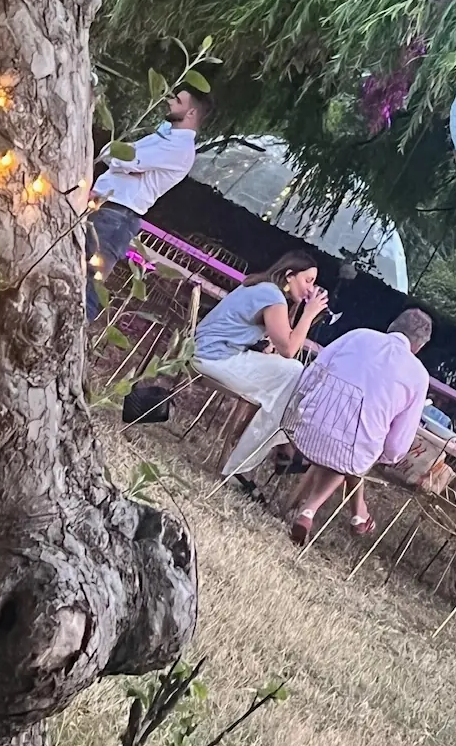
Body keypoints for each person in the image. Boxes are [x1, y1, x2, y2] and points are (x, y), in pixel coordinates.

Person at [284, 308, 434, 545]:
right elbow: (397, 444)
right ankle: (311, 510)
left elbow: (313, 372)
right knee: (357, 452)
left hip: (304, 427)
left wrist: (296, 405)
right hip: (351, 451)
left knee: (349, 444)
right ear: (419, 347)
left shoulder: (358, 335)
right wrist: (384, 456)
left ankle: (355, 514)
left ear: (392, 325)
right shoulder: (418, 375)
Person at [192, 250, 327, 482]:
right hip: (215, 358)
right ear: (289, 275)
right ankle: (248, 461)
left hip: (204, 350)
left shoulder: (259, 286)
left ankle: (269, 445)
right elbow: (289, 349)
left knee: (287, 382)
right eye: (308, 280)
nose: (309, 289)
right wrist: (309, 314)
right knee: (293, 375)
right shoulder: (272, 296)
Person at [85, 84, 211, 318]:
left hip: (119, 215)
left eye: (177, 101)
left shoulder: (180, 148)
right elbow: (113, 153)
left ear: (191, 113)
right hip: (105, 205)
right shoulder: (163, 136)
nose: (169, 102)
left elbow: (126, 158)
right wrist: (123, 159)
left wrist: (123, 159)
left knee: (89, 285)